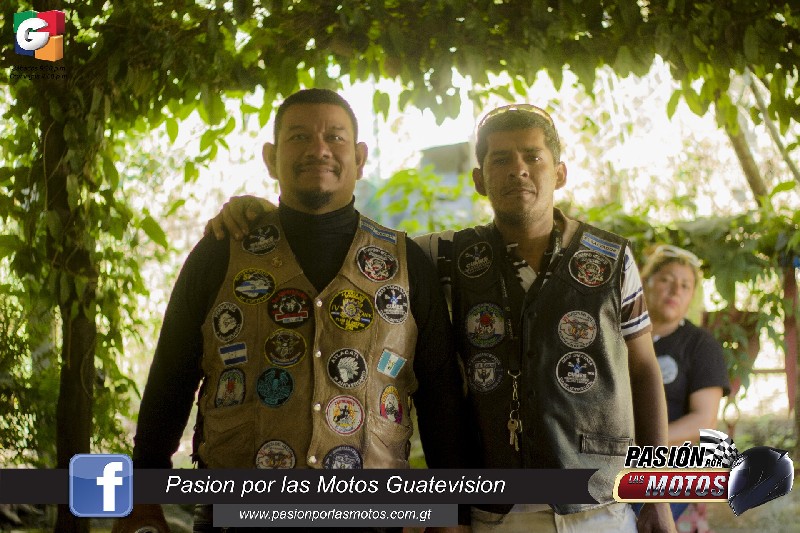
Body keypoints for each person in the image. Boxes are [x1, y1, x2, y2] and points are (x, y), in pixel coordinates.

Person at [209, 103, 676, 533]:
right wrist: (267, 214)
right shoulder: (444, 256)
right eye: (500, 159)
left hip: (598, 506)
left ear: (560, 172)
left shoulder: (611, 258)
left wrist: (656, 494)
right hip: (491, 511)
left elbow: (643, 370)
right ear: (479, 179)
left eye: (533, 156)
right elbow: (346, 242)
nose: (517, 169)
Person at [116, 88, 469, 533]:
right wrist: (144, 495)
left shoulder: (405, 264)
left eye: (334, 137)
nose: (318, 149)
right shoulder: (221, 252)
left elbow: (439, 394)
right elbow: (172, 375)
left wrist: (453, 513)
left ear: (360, 158)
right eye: (299, 136)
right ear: (271, 157)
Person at [639, 244, 731, 521]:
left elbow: (704, 420)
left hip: (676, 461)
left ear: (692, 296)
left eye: (685, 286)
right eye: (666, 280)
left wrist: (640, 446)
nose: (675, 290)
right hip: (613, 455)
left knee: (635, 513)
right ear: (645, 283)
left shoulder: (700, 345)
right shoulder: (621, 337)